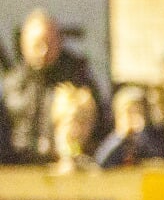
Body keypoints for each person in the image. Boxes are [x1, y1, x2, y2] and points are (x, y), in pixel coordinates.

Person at [4, 9, 105, 164]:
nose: (44, 51)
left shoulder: (77, 78)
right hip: (16, 168)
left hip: (64, 167)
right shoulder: (11, 85)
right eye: (37, 45)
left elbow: (100, 125)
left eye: (49, 43)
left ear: (60, 42)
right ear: (24, 45)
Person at [95, 86, 164, 168]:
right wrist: (121, 137)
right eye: (129, 112)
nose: (134, 116)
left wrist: (142, 133)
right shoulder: (114, 139)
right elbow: (101, 162)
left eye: (139, 111)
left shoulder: (153, 136)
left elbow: (160, 156)